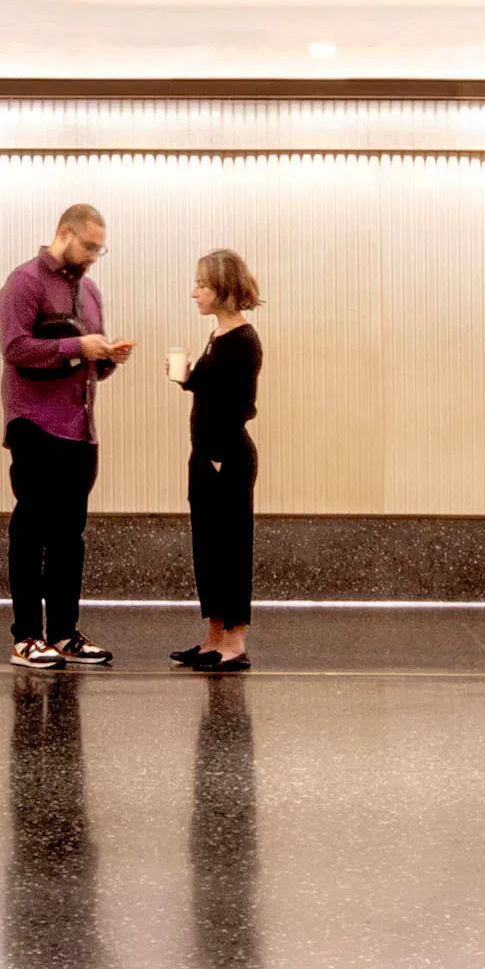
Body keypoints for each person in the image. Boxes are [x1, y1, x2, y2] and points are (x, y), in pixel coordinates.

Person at [0, 204, 128, 670]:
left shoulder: (90, 291)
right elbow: (15, 348)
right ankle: (27, 637)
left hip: (80, 427)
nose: (94, 255)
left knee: (70, 535)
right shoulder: (25, 282)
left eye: (99, 248)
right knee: (32, 530)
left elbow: (85, 359)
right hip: (34, 423)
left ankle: (65, 634)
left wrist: (106, 356)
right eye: (89, 245)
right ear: (64, 234)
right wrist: (77, 346)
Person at [167, 248, 262, 670]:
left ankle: (234, 643)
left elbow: (238, 404)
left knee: (230, 548)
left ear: (223, 289)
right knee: (207, 549)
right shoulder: (219, 337)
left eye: (202, 284)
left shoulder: (242, 340)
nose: (195, 292)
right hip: (207, 456)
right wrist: (188, 376)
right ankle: (214, 637)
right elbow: (210, 388)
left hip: (226, 457)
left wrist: (217, 455)